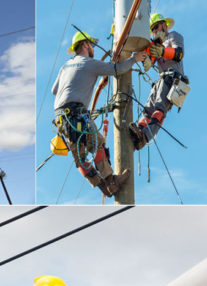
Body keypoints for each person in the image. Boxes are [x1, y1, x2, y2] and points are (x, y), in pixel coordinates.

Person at [51, 30, 147, 197]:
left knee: (80, 157)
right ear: (86, 45)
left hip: (61, 118)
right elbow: (118, 69)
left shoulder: (65, 66)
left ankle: (103, 186)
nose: (93, 48)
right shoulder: (89, 63)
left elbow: (54, 90)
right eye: (91, 45)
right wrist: (135, 59)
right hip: (77, 113)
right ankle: (111, 181)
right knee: (97, 144)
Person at [129, 13, 187, 150]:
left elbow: (179, 54)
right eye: (153, 28)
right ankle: (139, 131)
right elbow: (151, 59)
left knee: (160, 107)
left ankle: (144, 137)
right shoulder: (156, 43)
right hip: (162, 80)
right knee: (147, 109)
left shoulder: (173, 36)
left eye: (156, 26)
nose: (155, 30)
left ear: (164, 25)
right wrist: (148, 59)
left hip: (174, 80)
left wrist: (162, 51)